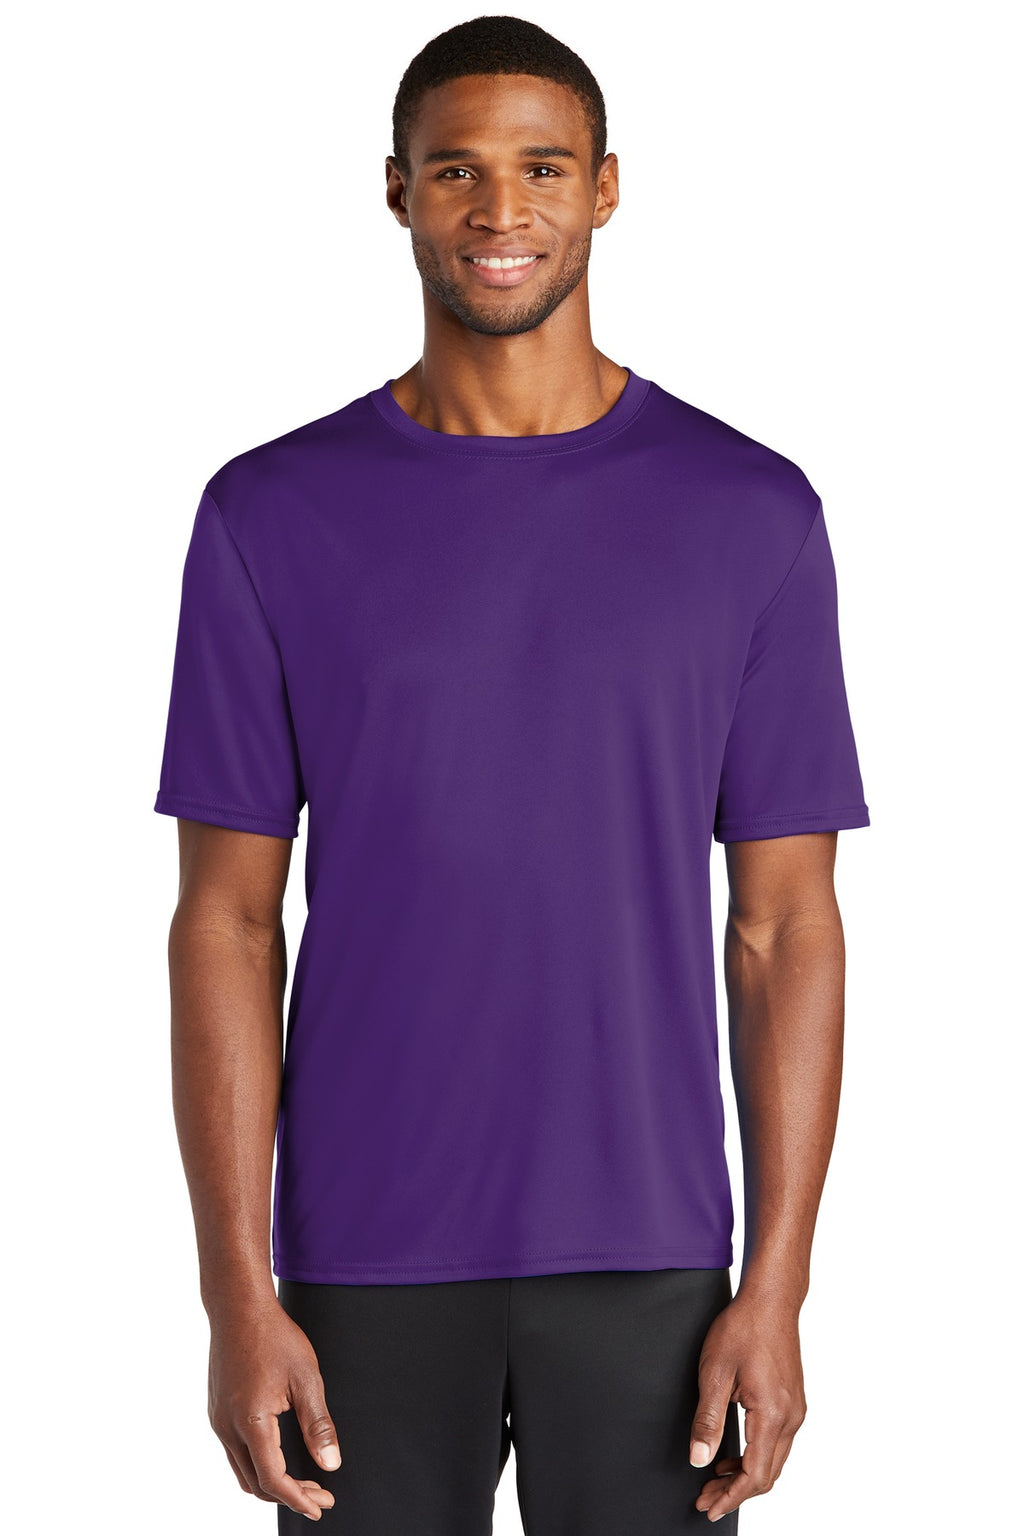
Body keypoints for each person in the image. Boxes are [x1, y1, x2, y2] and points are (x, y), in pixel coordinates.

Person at [153, 15, 870, 1534]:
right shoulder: (269, 514)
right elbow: (224, 919)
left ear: (605, 187)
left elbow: (785, 926)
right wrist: (234, 1295)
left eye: (543, 167)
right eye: (456, 170)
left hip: (654, 1264)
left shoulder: (751, 512)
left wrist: (779, 1288)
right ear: (397, 191)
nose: (500, 209)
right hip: (358, 1259)